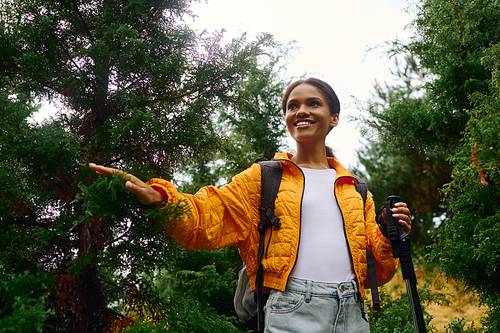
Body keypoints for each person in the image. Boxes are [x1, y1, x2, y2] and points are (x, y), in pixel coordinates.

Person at [89, 77, 412, 332]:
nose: (301, 111)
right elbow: (208, 214)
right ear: (287, 118)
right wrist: (162, 199)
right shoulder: (265, 177)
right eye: (292, 106)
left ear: (334, 117)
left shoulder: (355, 188)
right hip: (293, 307)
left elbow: (375, 270)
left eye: (314, 103)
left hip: (353, 310)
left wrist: (388, 231)